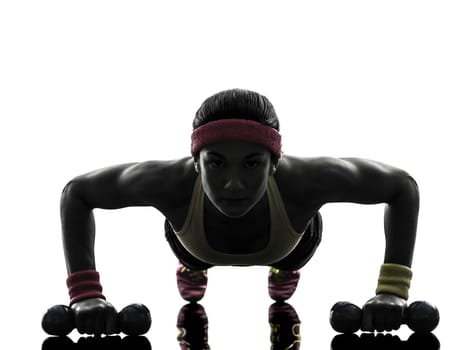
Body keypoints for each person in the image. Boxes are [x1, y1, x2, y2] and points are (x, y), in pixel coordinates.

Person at [61, 88, 419, 336]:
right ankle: (194, 266)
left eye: (251, 164)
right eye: (216, 163)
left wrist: (392, 291)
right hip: (193, 242)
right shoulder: (166, 182)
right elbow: (77, 194)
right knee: (192, 247)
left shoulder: (309, 179)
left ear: (274, 163)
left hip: (292, 241)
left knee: (293, 250)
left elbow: (401, 187)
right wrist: (86, 294)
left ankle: (284, 268)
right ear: (197, 163)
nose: (233, 184)